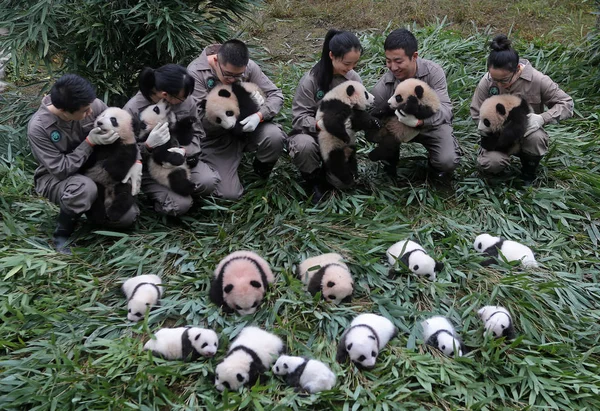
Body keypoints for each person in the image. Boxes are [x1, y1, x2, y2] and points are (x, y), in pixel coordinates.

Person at [27, 74, 140, 254]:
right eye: (85, 111)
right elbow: (61, 170)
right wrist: (88, 143)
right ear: (64, 111)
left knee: (126, 217)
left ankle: (91, 212)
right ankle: (62, 233)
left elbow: (126, 132)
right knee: (84, 188)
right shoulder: (39, 128)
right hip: (57, 177)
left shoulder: (90, 104)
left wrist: (137, 160)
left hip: (97, 170)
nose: (91, 112)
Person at [187, 39, 286, 200]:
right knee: (230, 195)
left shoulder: (248, 67)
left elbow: (276, 95)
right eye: (228, 75)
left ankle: (261, 170)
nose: (233, 79)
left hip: (248, 128)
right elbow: (199, 120)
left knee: (274, 136)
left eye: (238, 75)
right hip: (216, 139)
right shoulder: (195, 74)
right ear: (216, 60)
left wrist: (259, 115)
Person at [470, 34, 574, 183]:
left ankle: (528, 171)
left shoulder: (538, 80)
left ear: (517, 69)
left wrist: (542, 118)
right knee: (491, 163)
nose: (498, 85)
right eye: (495, 80)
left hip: (527, 132)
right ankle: (497, 175)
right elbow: (476, 111)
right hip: (497, 136)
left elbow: (567, 103)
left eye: (504, 80)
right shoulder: (486, 82)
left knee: (536, 139)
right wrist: (489, 127)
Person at [123, 64, 220, 215]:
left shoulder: (186, 101)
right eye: (182, 97)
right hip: (152, 168)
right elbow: (124, 153)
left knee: (208, 182)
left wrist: (185, 151)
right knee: (180, 205)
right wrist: (147, 147)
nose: (186, 100)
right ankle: (159, 199)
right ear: (164, 95)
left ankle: (187, 193)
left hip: (182, 160)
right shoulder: (133, 109)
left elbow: (198, 133)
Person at [371, 28, 461, 179]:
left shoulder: (433, 73)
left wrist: (419, 121)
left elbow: (446, 111)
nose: (393, 67)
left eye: (398, 61)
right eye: (388, 61)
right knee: (376, 131)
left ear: (414, 56)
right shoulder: (383, 86)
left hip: (430, 125)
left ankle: (435, 168)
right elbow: (372, 116)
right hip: (398, 127)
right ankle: (389, 162)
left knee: (447, 161)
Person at [288, 29, 363, 203]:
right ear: (331, 55)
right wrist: (319, 125)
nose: (350, 69)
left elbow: (360, 110)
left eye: (354, 64)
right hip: (312, 136)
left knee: (344, 183)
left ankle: (331, 171)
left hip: (339, 140)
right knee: (303, 146)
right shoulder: (311, 81)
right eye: (346, 63)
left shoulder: (353, 78)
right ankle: (313, 179)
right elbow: (299, 117)